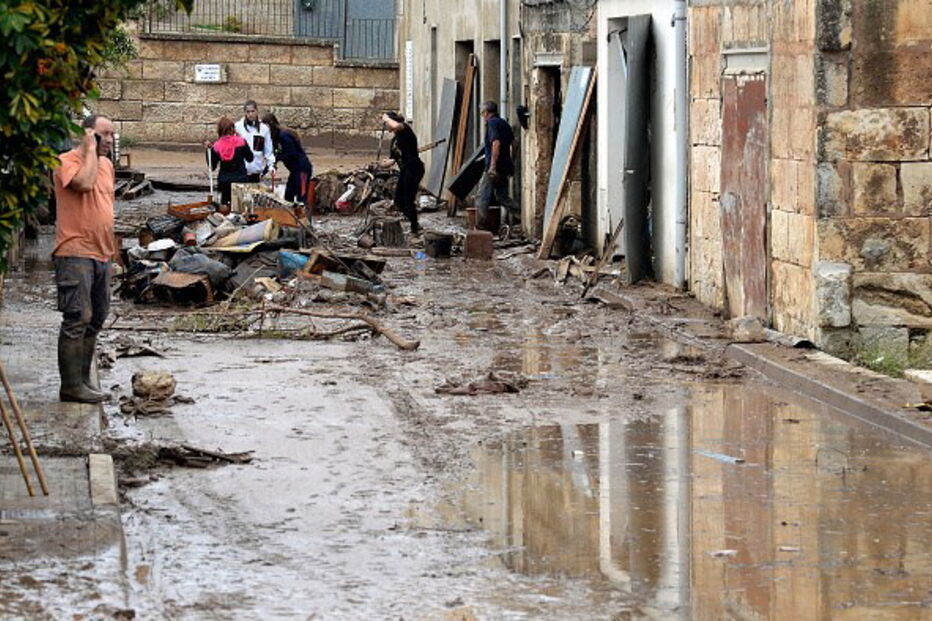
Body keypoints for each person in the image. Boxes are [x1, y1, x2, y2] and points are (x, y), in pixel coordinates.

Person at [51, 114, 116, 403]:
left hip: (102, 253)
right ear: (88, 134)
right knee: (78, 317)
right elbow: (84, 185)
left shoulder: (107, 166)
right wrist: (90, 149)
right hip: (74, 251)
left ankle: (84, 381)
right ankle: (71, 386)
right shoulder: (67, 161)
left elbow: (105, 206)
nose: (110, 141)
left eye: (112, 135)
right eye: (104, 135)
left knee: (97, 318)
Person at [381, 111, 424, 236]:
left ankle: (414, 228)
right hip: (405, 169)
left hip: (414, 168)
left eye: (387, 123)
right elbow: (393, 159)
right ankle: (414, 221)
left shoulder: (404, 129)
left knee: (408, 199)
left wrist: (386, 118)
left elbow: (396, 126)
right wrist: (382, 164)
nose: (386, 125)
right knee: (399, 201)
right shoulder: (394, 140)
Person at [476, 100, 518, 230]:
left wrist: (493, 166)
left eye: (482, 113)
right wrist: (511, 159)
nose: (482, 116)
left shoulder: (492, 123)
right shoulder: (504, 123)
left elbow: (496, 143)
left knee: (482, 196)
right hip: (504, 166)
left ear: (486, 113)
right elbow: (514, 143)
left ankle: (480, 227)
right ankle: (520, 214)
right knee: (502, 196)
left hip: (494, 168)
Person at [262, 112, 314, 205]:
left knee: (301, 197)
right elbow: (274, 156)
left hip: (302, 169)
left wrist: (278, 158)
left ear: (271, 125)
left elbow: (291, 153)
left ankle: (304, 217)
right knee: (288, 196)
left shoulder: (284, 136)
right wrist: (264, 171)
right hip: (294, 171)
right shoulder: (275, 138)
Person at [206, 116, 254, 207]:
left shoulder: (216, 146)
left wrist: (208, 151)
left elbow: (212, 166)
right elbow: (250, 158)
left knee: (225, 206)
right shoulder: (241, 141)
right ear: (232, 129)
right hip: (240, 179)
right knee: (240, 207)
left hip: (225, 181)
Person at [235, 100, 275, 182]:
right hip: (241, 171)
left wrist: (271, 166)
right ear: (245, 113)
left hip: (256, 171)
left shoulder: (264, 129)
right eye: (248, 112)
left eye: (252, 111)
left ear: (257, 111)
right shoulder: (238, 127)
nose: (250, 114)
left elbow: (268, 150)